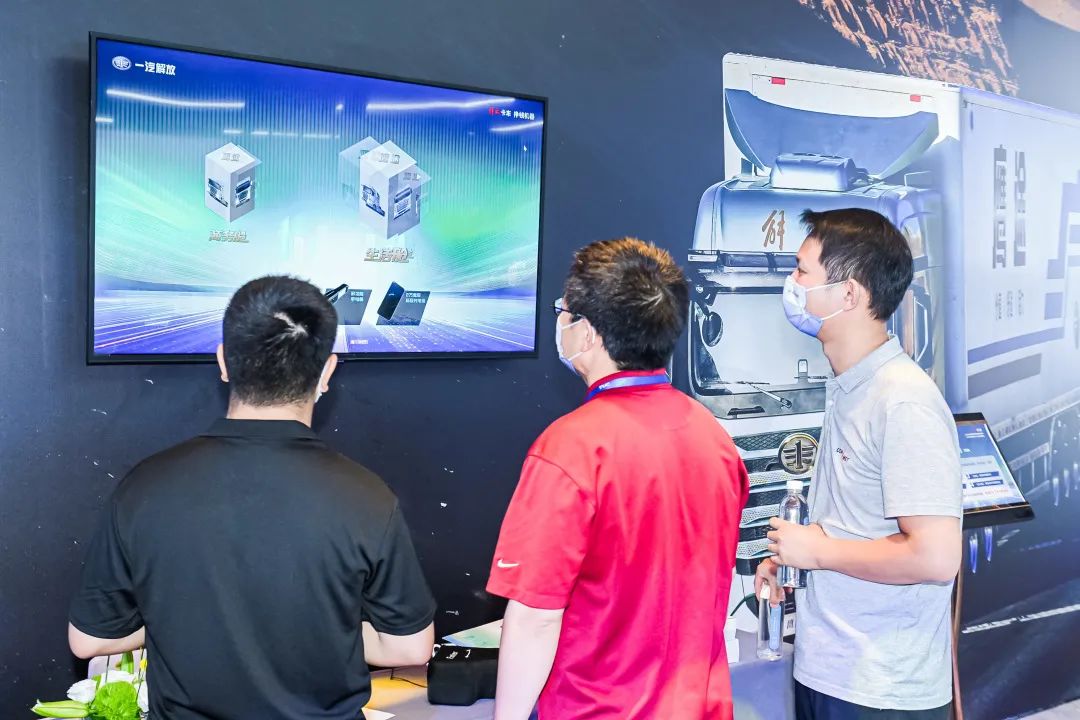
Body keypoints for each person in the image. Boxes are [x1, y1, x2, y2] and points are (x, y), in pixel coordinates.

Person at [68, 276, 436, 719]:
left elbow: (90, 640)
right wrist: (321, 630)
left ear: (223, 361)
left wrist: (181, 627)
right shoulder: (367, 496)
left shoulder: (145, 486)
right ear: (327, 372)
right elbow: (410, 647)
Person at [487, 237, 750, 720]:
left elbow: (535, 619)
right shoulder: (713, 436)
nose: (560, 322)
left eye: (564, 312)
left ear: (587, 333)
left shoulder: (571, 447)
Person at [757, 209, 963, 720]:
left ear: (848, 294)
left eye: (802, 271)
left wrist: (819, 552)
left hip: (881, 691)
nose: (792, 285)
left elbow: (936, 557)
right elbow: (857, 526)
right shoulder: (851, 386)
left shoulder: (903, 400)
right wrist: (795, 556)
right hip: (830, 671)